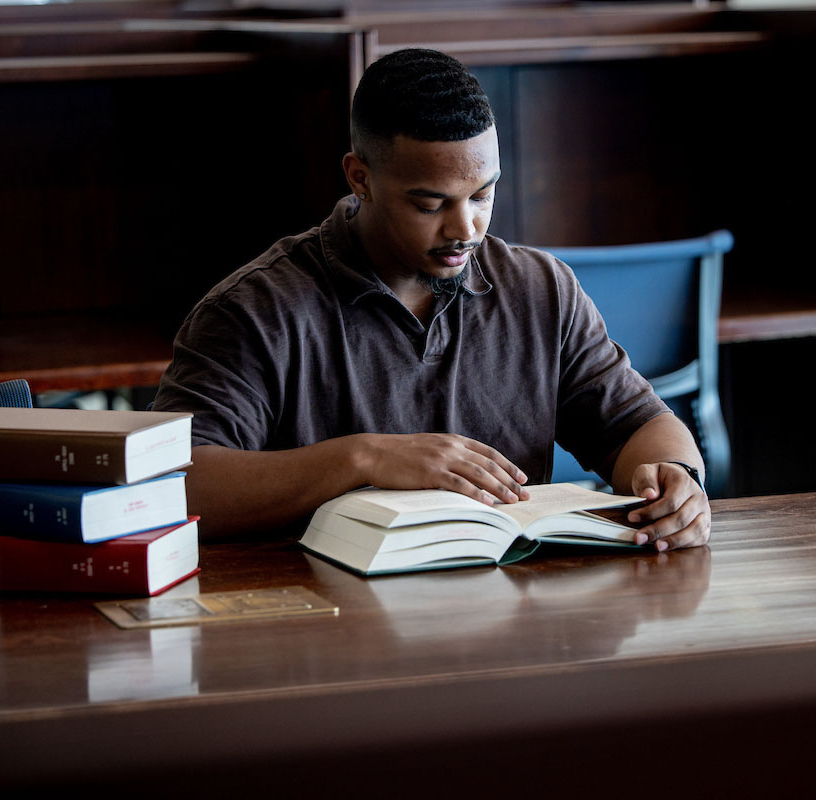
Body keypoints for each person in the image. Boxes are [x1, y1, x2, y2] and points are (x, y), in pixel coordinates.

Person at [152, 48, 710, 551]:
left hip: (511, 622)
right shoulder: (255, 311)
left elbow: (638, 424)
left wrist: (674, 478)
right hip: (328, 628)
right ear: (360, 178)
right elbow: (176, 484)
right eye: (430, 204)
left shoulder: (541, 289)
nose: (464, 228)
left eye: (483, 194)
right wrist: (362, 459)